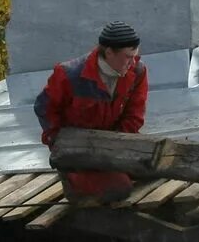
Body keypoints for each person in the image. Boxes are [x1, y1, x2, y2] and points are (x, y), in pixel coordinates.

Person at [34, 21, 148, 204]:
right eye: (128, 57)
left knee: (151, 167)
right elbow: (44, 107)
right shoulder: (68, 75)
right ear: (109, 52)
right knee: (119, 188)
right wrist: (59, 145)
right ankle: (71, 179)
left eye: (135, 56)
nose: (132, 62)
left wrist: (117, 146)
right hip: (79, 149)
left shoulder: (138, 71)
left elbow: (134, 115)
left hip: (113, 142)